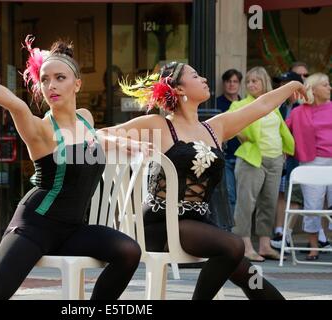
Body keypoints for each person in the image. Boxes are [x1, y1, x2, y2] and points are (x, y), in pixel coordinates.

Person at [0, 37, 142, 300]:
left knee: (128, 252)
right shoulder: (41, 129)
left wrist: (119, 142)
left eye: (60, 78)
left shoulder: (86, 119)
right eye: (44, 80)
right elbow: (15, 104)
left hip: (73, 230)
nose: (51, 86)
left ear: (77, 84)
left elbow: (91, 139)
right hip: (35, 226)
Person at [99, 61, 305, 299]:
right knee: (234, 246)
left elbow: (263, 104)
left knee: (249, 276)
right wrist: (128, 143)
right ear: (179, 89)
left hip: (199, 223)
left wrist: (291, 85)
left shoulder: (215, 127)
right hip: (160, 225)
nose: (204, 79)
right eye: (195, 76)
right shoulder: (158, 125)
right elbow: (99, 134)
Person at [229, 67, 295, 262]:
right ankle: (245, 245)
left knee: (269, 203)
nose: (250, 85)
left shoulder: (273, 106)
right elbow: (233, 126)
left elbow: (280, 129)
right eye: (248, 81)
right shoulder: (240, 105)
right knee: (246, 203)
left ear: (264, 82)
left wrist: (284, 148)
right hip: (252, 159)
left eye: (255, 81)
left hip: (275, 160)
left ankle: (265, 245)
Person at [285, 73, 332, 260]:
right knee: (313, 207)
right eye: (326, 85)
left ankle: (326, 241)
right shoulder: (298, 111)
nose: (330, 88)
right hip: (312, 162)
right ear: (313, 89)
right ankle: (314, 247)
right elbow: (282, 130)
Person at [271, 71, 304, 250]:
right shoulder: (279, 106)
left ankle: (287, 233)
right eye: (281, 84)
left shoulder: (304, 105)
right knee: (281, 194)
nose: (282, 88)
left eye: (287, 84)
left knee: (296, 197)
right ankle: (278, 231)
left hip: (299, 157)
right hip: (281, 158)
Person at [216, 69, 243, 214]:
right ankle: (231, 233)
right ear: (223, 83)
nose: (231, 85)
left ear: (239, 84)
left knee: (243, 197)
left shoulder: (245, 103)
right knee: (230, 196)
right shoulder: (216, 103)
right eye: (228, 81)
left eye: (235, 81)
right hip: (226, 156)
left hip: (243, 156)